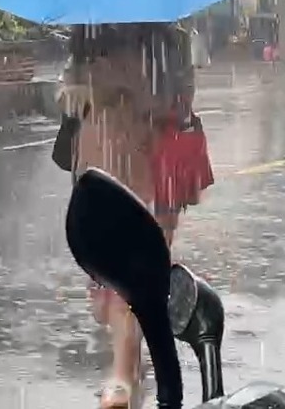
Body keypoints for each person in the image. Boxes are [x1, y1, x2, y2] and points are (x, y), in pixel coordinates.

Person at [57, 22, 214, 408]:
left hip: (140, 163)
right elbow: (70, 96)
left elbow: (177, 101)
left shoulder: (158, 39)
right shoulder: (96, 33)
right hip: (115, 162)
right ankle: (131, 368)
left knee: (132, 272)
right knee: (122, 277)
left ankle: (124, 372)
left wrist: (123, 91)